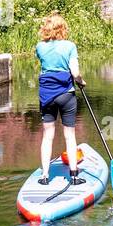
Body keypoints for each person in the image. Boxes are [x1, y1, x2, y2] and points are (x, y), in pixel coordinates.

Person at [35, 13, 85, 186]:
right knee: (69, 136)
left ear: (46, 29)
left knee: (48, 135)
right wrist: (81, 81)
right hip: (66, 94)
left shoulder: (40, 47)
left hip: (47, 95)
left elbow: (45, 65)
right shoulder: (70, 46)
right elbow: (75, 73)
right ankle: (74, 176)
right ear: (62, 28)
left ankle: (45, 176)